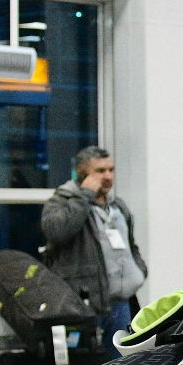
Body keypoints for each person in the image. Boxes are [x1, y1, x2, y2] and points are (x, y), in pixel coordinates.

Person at [41, 146, 146, 353]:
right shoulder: (61, 201)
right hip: (84, 305)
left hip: (121, 303)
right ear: (82, 174)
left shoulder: (118, 206)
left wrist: (140, 270)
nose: (108, 176)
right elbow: (57, 231)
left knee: (122, 363)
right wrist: (85, 195)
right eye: (100, 171)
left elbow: (131, 244)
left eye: (111, 170)